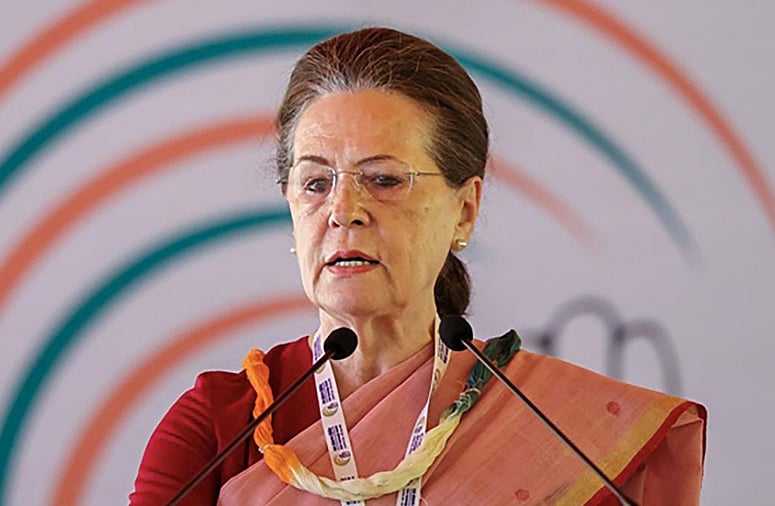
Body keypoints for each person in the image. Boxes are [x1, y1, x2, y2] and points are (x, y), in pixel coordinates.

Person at [130, 27, 706, 505]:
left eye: (384, 179)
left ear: (465, 210)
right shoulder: (223, 424)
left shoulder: (561, 432)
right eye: (316, 183)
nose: (344, 211)